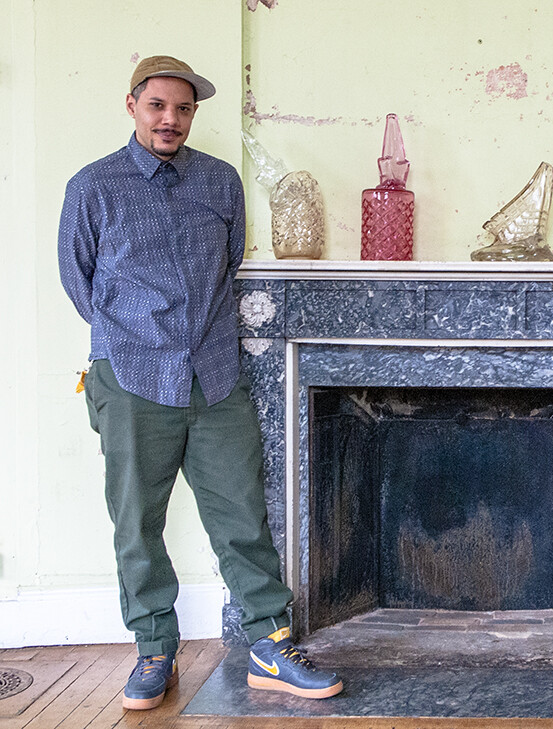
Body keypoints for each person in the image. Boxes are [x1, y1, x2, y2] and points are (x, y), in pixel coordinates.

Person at [58, 55, 343, 710]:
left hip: (214, 377)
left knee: (243, 515)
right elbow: (80, 283)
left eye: (183, 109)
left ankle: (271, 645)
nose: (171, 119)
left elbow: (232, 261)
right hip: (130, 378)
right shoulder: (91, 188)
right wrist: (133, 340)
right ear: (132, 105)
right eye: (158, 105)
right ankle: (155, 649)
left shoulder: (220, 183)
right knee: (137, 522)